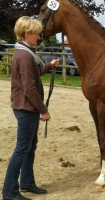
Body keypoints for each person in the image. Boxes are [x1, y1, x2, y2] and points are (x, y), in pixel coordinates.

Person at [2, 16, 59, 200]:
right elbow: (30, 88)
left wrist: (49, 66)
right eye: (37, 34)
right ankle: (9, 191)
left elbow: (34, 74)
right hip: (26, 108)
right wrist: (43, 109)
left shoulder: (26, 52)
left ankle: (27, 183)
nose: (39, 37)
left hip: (26, 108)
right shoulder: (25, 55)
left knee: (29, 147)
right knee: (22, 148)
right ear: (27, 34)